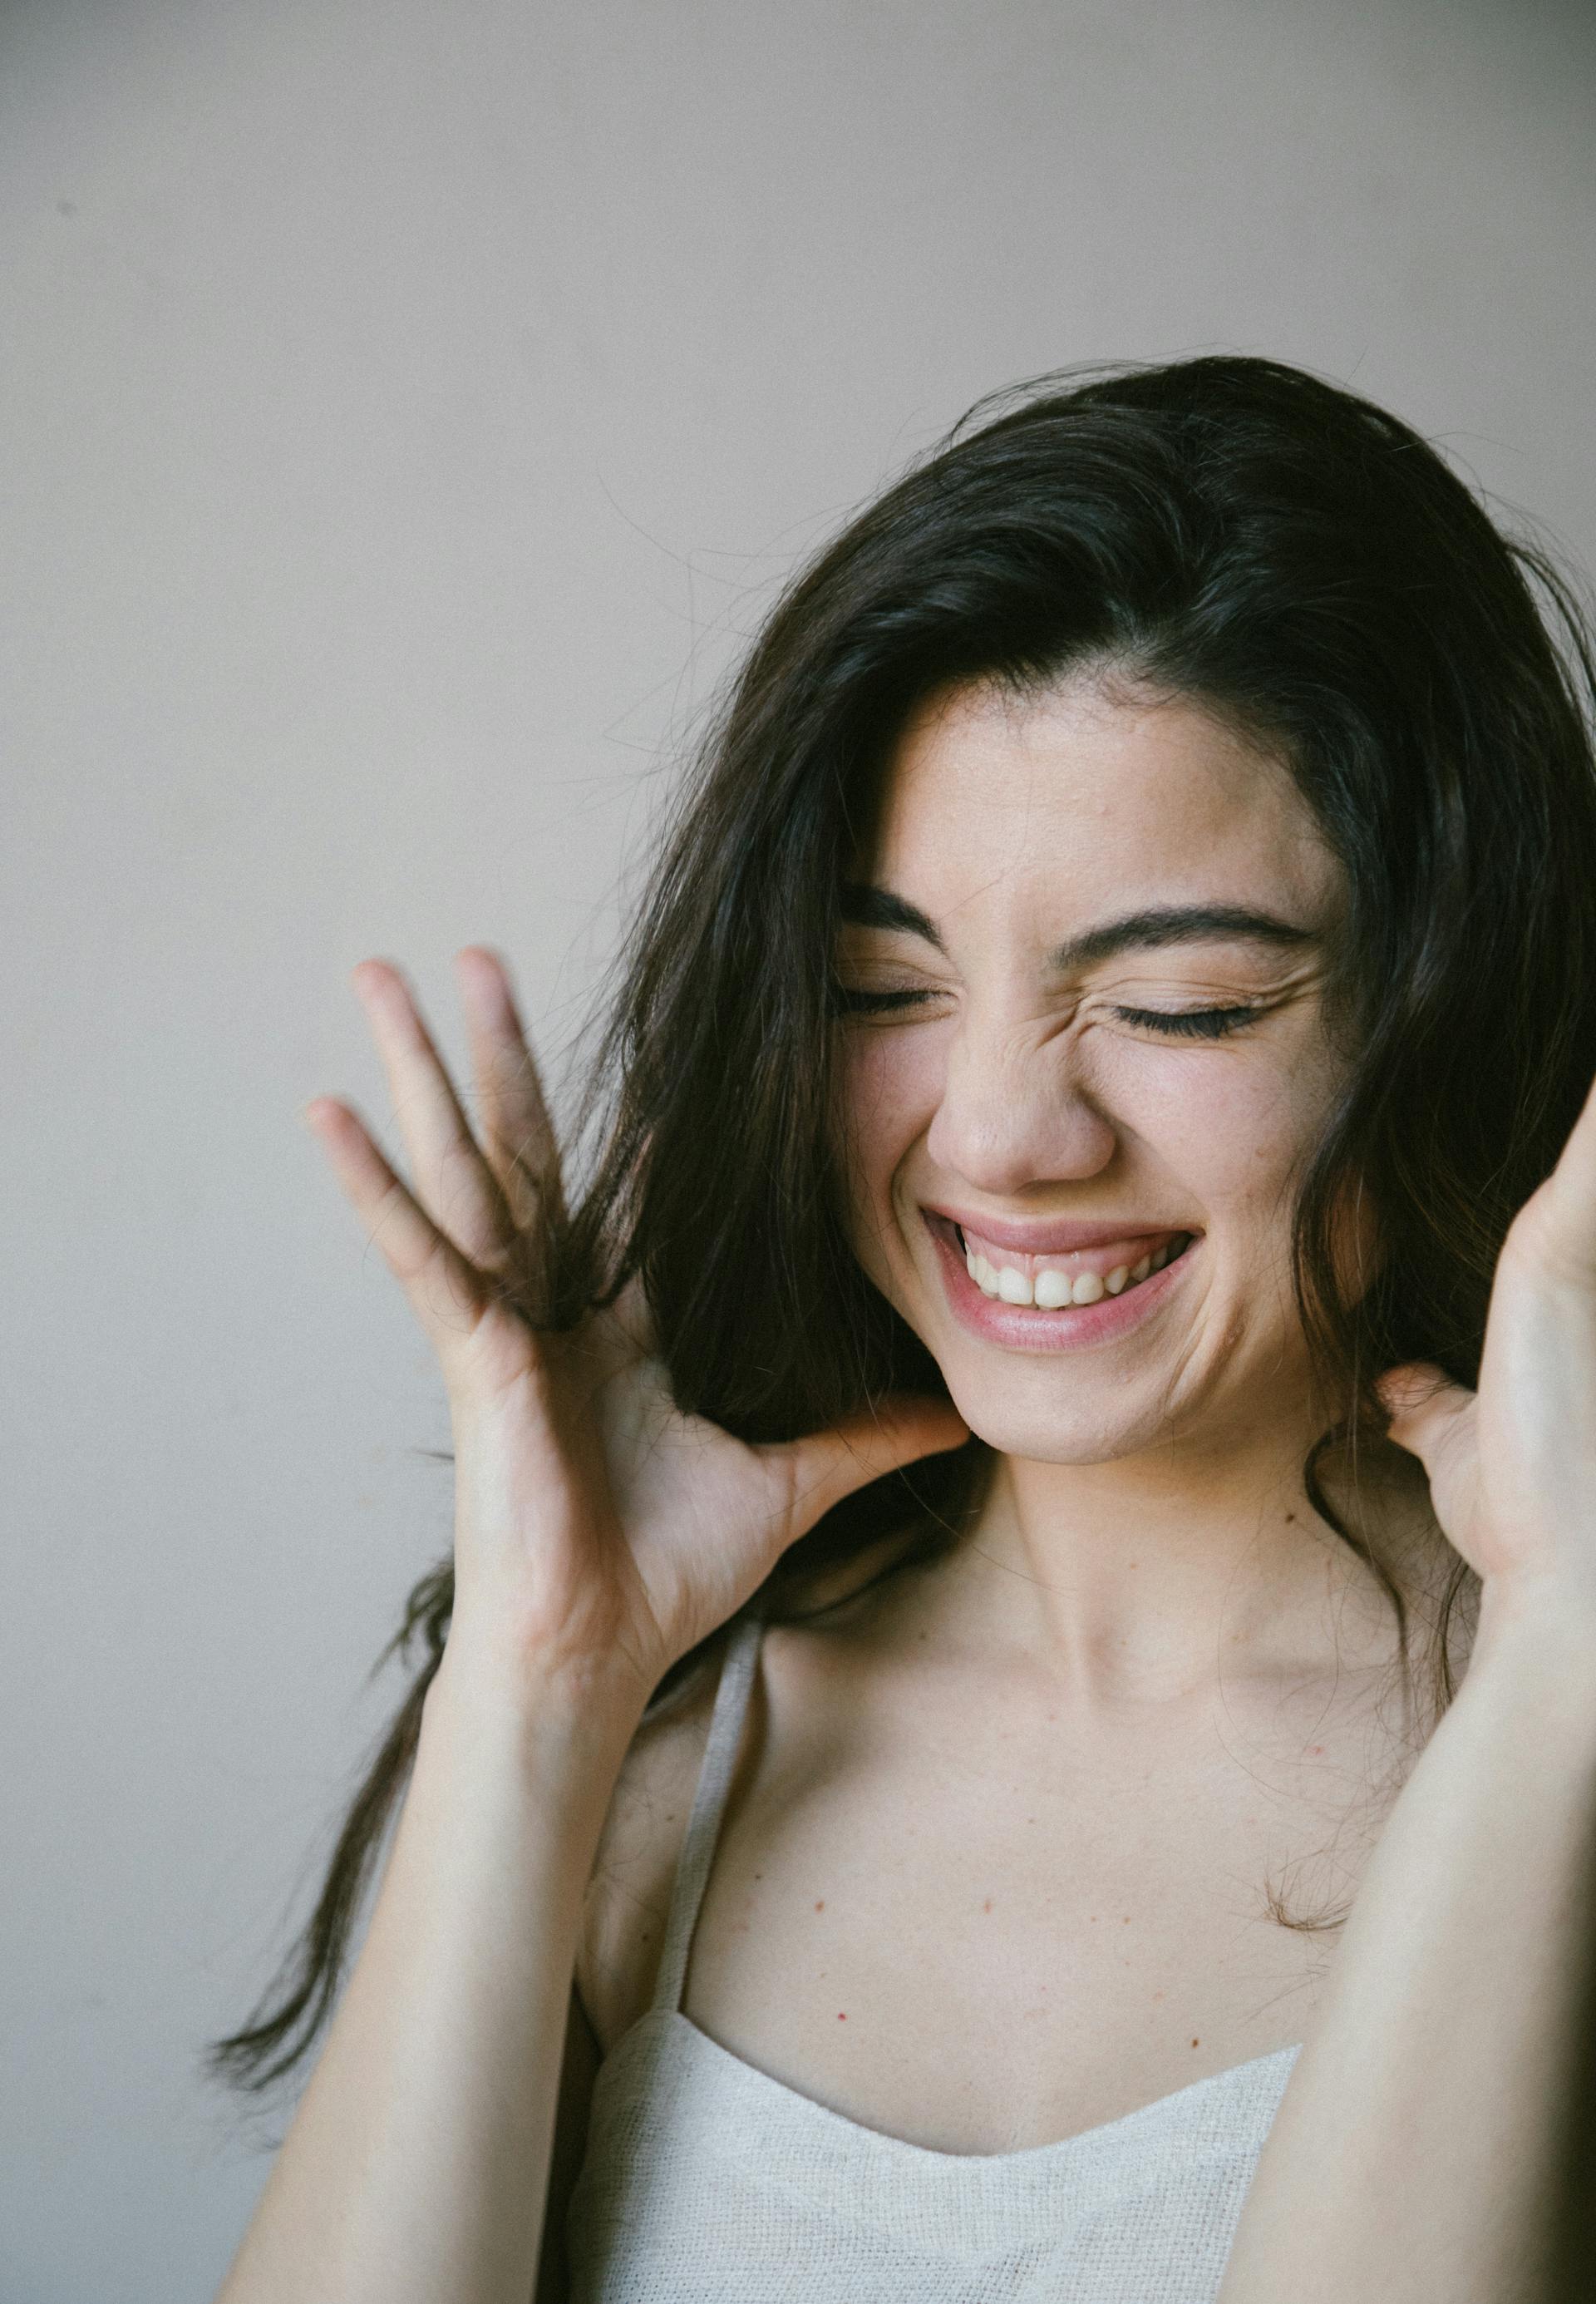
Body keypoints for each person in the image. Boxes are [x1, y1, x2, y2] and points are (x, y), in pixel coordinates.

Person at [210, 357, 1596, 2304]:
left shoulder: (1566, 1729)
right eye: (885, 987)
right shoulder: (667, 1751)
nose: (1002, 1139)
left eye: (1185, 1005)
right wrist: (538, 1685)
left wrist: (1569, 1657)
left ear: (1451, 1012)